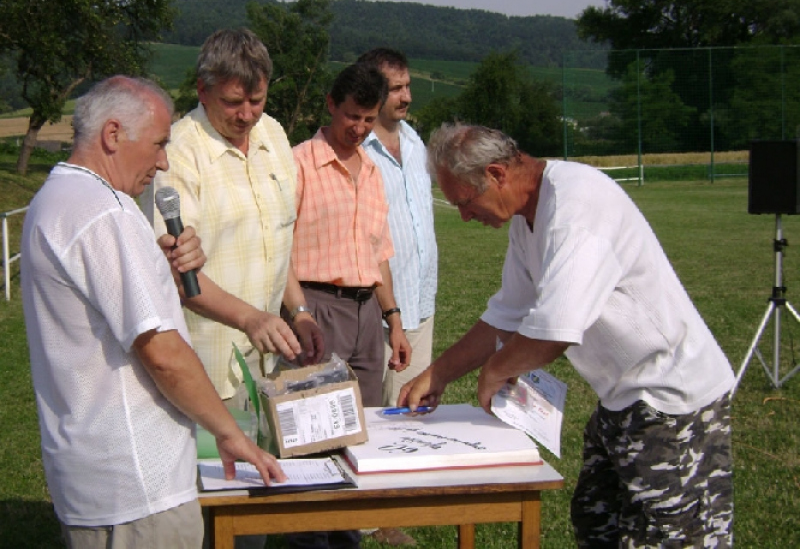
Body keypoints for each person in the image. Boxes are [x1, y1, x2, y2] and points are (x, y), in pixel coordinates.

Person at [400, 124, 735, 548]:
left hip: (671, 400)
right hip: (622, 399)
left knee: (670, 536)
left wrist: (496, 370)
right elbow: (506, 315)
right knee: (596, 520)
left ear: (497, 173)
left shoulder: (578, 207)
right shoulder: (528, 219)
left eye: (465, 202)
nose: (466, 216)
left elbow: (555, 329)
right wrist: (438, 375)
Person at [21, 76, 286, 549]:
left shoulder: (56, 199)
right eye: (160, 144)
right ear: (113, 134)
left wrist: (157, 268)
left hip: (94, 473)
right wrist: (227, 432)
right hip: (137, 489)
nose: (163, 160)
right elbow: (163, 352)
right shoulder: (107, 214)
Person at [143, 28, 324, 411]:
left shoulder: (272, 133)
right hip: (206, 371)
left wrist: (300, 312)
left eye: (257, 100)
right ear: (202, 91)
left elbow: (276, 241)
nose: (247, 115)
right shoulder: (178, 153)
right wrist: (250, 318)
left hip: (265, 358)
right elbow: (176, 275)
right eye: (232, 102)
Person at [288, 63, 412, 549]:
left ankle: (347, 535)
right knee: (316, 433)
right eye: (352, 117)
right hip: (318, 306)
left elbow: (378, 251)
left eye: (368, 119)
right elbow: (280, 251)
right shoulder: (298, 164)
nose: (359, 129)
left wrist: (393, 319)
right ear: (330, 104)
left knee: (361, 434)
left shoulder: (374, 170)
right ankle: (310, 538)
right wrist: (298, 314)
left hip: (366, 315)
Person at [358, 48, 438, 409]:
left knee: (411, 407)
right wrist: (390, 315)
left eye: (408, 86)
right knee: (376, 413)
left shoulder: (413, 140)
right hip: (378, 310)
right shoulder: (357, 151)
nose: (406, 96)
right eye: (396, 89)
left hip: (420, 301)